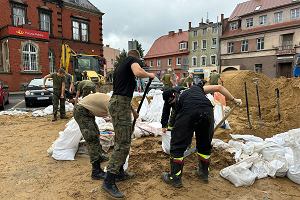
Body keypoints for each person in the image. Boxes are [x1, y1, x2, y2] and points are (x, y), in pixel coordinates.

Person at [161, 81, 242, 188]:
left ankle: (175, 179)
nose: (172, 102)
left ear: (175, 94)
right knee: (204, 145)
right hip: (207, 112)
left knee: (177, 147)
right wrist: (234, 99)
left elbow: (175, 117)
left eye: (172, 100)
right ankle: (203, 173)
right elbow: (219, 87)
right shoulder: (196, 88)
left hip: (189, 112)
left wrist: (175, 132)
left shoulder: (179, 96)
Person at [102, 50, 155, 199]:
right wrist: (149, 75)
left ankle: (119, 172)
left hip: (121, 104)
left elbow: (122, 92)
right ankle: (109, 180)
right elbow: (138, 72)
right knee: (123, 143)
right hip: (119, 105)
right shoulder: (132, 60)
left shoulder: (121, 66)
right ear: (136, 57)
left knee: (122, 141)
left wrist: (133, 111)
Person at [73, 93, 110, 180]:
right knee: (91, 137)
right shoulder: (111, 104)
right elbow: (114, 119)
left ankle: (99, 156)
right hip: (82, 111)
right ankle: (96, 171)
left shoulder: (114, 100)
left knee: (95, 132)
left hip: (87, 111)